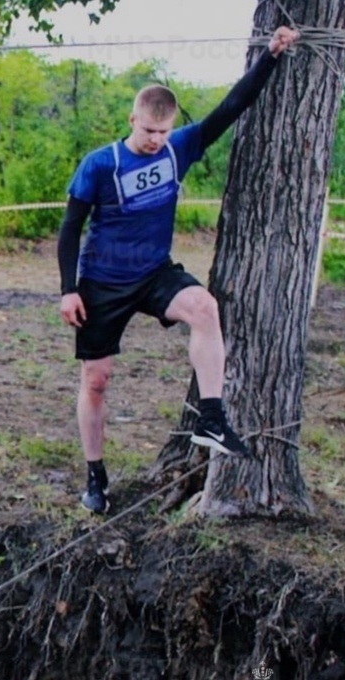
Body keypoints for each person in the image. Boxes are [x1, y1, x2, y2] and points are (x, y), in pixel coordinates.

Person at [58, 26, 300, 515]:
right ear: (133, 120)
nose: (155, 140)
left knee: (204, 306)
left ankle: (211, 418)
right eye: (148, 131)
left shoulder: (179, 149)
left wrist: (271, 57)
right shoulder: (99, 164)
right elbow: (69, 229)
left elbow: (232, 107)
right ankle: (95, 476)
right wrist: (68, 290)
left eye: (163, 132)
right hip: (102, 280)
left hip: (153, 272)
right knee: (96, 380)